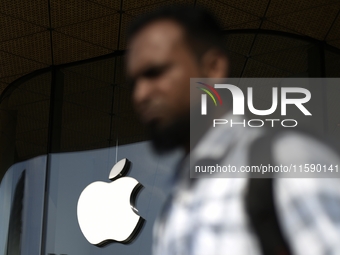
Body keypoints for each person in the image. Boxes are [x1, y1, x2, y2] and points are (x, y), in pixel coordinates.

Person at [126, 6, 340, 255]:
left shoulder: (285, 160)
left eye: (155, 72)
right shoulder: (171, 210)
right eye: (134, 83)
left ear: (213, 68)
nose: (140, 94)